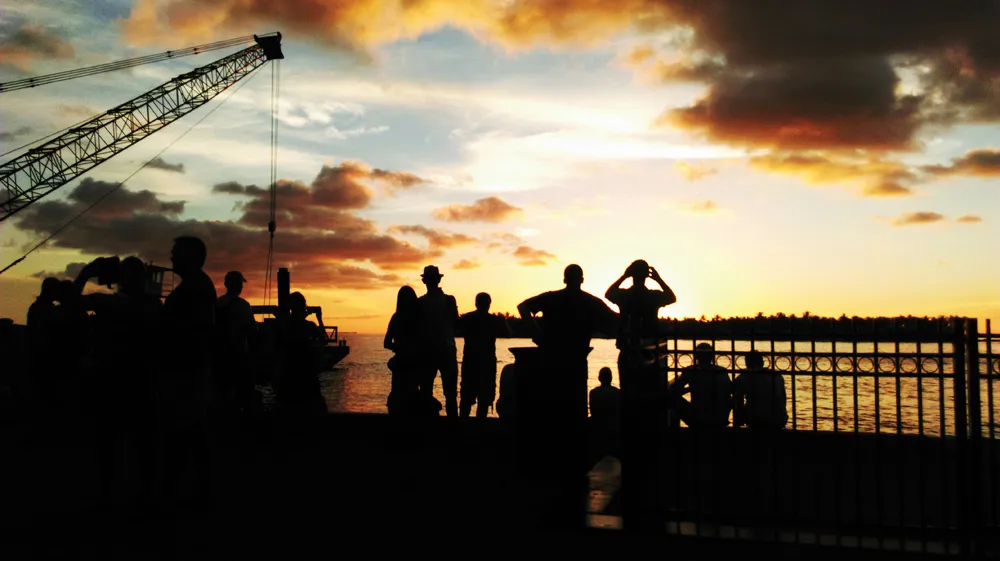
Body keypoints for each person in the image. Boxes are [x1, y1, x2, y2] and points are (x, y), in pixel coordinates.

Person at [385, 286, 439, 416]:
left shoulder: (397, 317)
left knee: (399, 396)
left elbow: (386, 343)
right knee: (415, 394)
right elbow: (428, 339)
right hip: (416, 361)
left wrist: (398, 348)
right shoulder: (420, 317)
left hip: (402, 362)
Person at [417, 265, 460, 417]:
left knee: (426, 391)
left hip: (428, 351)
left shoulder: (420, 303)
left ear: (425, 281)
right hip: (446, 350)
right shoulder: (449, 300)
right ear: (438, 280)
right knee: (450, 393)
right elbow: (456, 323)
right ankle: (453, 428)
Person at [459, 292, 511, 418]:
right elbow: (508, 334)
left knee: (466, 399)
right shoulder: (494, 320)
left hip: (470, 363)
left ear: (476, 303)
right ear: (489, 304)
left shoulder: (466, 318)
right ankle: (479, 429)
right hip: (487, 365)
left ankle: (461, 428)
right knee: (484, 401)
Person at [276, 292, 328, 416]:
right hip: (307, 374)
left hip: (288, 374)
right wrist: (319, 318)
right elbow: (324, 340)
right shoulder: (309, 326)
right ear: (304, 307)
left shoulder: (283, 326)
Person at [215, 271, 257, 412]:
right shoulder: (243, 305)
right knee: (243, 395)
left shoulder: (218, 303)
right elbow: (252, 329)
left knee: (223, 395)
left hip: (220, 356)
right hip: (239, 355)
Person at [669, 342, 733, 428]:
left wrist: (690, 389)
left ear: (696, 356)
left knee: (671, 397)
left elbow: (675, 390)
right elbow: (730, 391)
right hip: (719, 417)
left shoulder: (691, 370)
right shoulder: (722, 371)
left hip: (697, 417)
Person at [733, 350, 788, 430]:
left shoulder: (744, 377)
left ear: (747, 363)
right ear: (762, 362)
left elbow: (736, 397)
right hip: (779, 419)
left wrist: (739, 419)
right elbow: (782, 398)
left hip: (756, 420)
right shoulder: (776, 375)